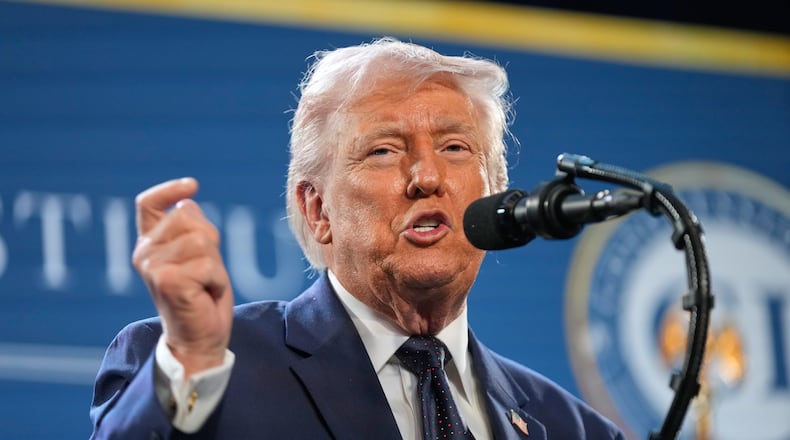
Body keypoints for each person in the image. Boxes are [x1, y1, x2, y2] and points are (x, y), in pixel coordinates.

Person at [89, 37, 624, 440]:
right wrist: (192, 358)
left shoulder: (573, 427)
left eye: (456, 148)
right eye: (384, 150)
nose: (427, 176)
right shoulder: (202, 366)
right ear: (316, 208)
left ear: (495, 193)